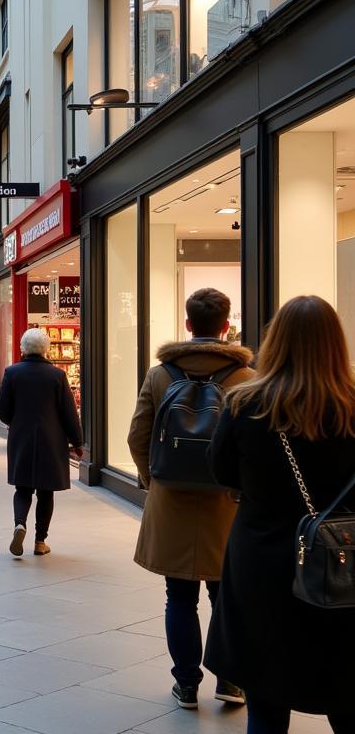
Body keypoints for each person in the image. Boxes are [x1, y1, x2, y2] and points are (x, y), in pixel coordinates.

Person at [205, 296, 355, 732]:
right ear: (335, 344)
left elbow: (222, 471)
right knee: (344, 686)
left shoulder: (244, 405)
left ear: (276, 342)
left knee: (266, 699)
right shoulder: (350, 405)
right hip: (344, 564)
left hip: (263, 561)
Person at [127, 287, 253, 710]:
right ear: (226, 325)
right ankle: (231, 682)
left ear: (187, 324)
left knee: (178, 597)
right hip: (228, 506)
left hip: (173, 500)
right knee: (226, 596)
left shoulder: (160, 374)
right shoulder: (245, 379)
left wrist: (152, 479)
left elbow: (137, 436)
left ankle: (186, 684)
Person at [0, 328, 83, 558]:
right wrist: (77, 441)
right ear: (46, 349)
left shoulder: (12, 373)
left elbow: (1, 408)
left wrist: (15, 421)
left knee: (22, 488)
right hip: (51, 438)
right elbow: (68, 412)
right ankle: (40, 541)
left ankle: (19, 524)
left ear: (23, 348)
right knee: (46, 491)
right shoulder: (56, 375)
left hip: (21, 437)